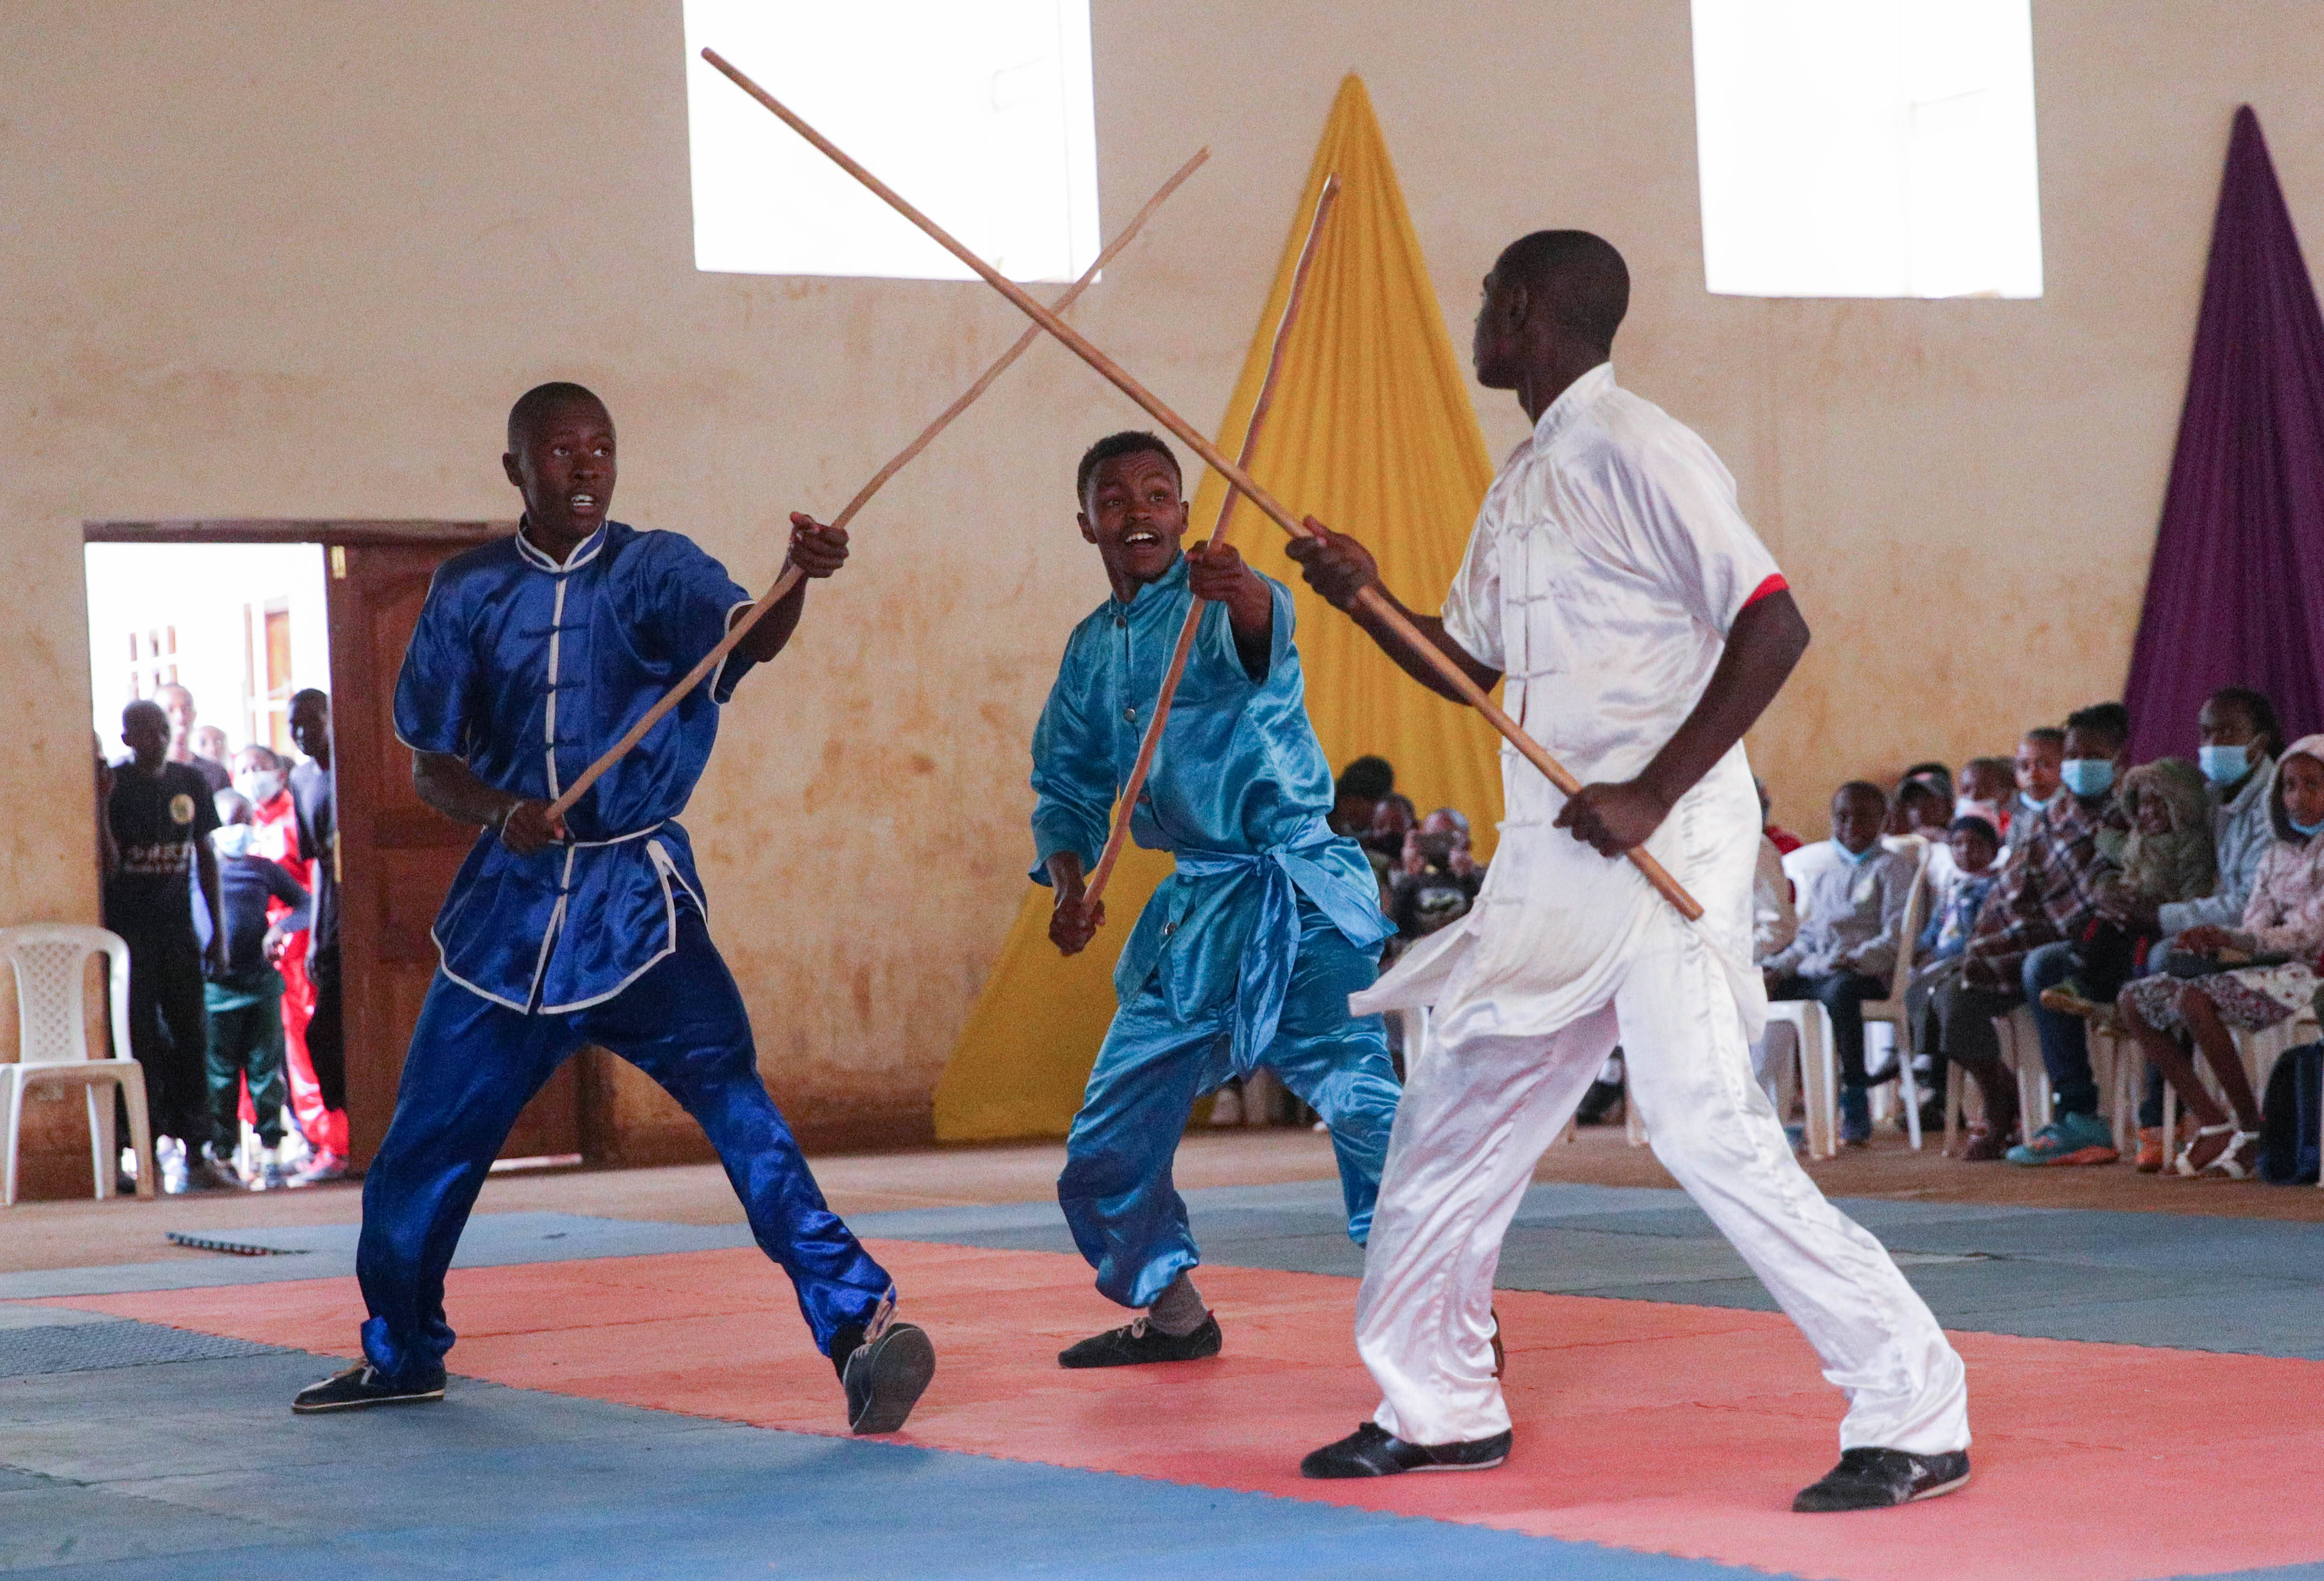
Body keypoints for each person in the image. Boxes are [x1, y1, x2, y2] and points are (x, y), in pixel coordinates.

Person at [1285, 230, 1968, 1510]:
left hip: (1668, 855)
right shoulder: (1523, 482)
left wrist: (1655, 789)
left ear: (1531, 312)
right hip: (1556, 868)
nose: (1478, 319)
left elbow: (1777, 619)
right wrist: (1364, 597)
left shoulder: (1640, 447)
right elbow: (1471, 674)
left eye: (1491, 302)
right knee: (1452, 1119)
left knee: (1706, 1125)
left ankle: (1915, 1410)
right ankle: (1436, 1406)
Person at [291, 382, 933, 1432]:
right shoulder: (466, 590)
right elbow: (431, 766)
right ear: (516, 470)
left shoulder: (660, 567)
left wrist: (793, 580)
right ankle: (402, 1351)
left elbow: (748, 640)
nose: (585, 466)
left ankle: (859, 1324)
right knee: (418, 1155)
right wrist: (503, 812)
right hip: (503, 926)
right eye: (559, 451)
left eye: (601, 448)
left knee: (742, 1116)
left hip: (644, 914)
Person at [1034, 430, 1402, 1368]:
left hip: (1299, 894)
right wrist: (1071, 885)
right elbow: (1067, 789)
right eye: (1115, 500)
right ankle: (1172, 1311)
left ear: (1187, 516)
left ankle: (1442, 1310)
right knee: (1108, 1135)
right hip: (1195, 915)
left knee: (1366, 1106)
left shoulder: (1220, 601)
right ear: (1086, 525)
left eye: (1159, 494)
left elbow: (1260, 630)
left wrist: (1239, 588)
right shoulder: (1087, 651)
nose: (1140, 513)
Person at [2118, 737, 2324, 1177]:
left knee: (2194, 999)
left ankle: (2253, 1130)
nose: (2297, 797)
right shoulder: (2274, 855)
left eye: (2312, 785)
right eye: (2288, 785)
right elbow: (2254, 924)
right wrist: (2218, 939)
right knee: (2136, 999)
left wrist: (2243, 943)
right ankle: (2212, 1120)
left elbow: (2310, 934)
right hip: (2266, 967)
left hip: (2308, 973)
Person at [2101, 687, 2282, 1169]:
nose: (2213, 742)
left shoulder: (2278, 801)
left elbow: (2249, 903)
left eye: (2227, 731)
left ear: (2258, 742)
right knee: (2119, 981)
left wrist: (2161, 917)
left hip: (2266, 944)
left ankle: (2177, 1121)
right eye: (2206, 732)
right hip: (2211, 931)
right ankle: (2207, 1121)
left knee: (2164, 962)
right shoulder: (2208, 795)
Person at [105, 699, 226, 1193]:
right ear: (128, 739)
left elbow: (206, 856)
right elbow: (107, 865)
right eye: (143, 731)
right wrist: (101, 804)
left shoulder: (191, 782)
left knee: (191, 1036)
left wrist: (216, 930)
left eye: (162, 728)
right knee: (136, 1040)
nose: (155, 738)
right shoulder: (114, 787)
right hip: (130, 936)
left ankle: (198, 1150)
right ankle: (142, 1148)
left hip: (179, 932)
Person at [1763, 783, 1918, 1144]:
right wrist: (1778, 966)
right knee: (1772, 989)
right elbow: (1807, 939)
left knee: (1840, 990)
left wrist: (1854, 958)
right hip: (1821, 969)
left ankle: (1855, 1094)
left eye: (1862, 816)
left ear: (1884, 820)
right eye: (1841, 816)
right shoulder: (1827, 876)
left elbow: (1894, 937)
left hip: (1865, 974)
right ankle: (1770, 1106)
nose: (1850, 825)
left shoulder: (1893, 869)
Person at [203, 789, 309, 1189]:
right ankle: (223, 1156)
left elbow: (305, 904)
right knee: (220, 1077)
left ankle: (271, 1157)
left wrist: (280, 928)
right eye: (231, 821)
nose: (238, 830)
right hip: (216, 988)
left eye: (245, 820)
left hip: (261, 985)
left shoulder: (264, 869)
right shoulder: (204, 868)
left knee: (267, 1074)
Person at [286, 688, 349, 1183]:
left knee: (353, 1032)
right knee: (322, 1034)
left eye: (312, 721)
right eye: (295, 725)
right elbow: (321, 866)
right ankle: (342, 1139)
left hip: (366, 917)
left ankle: (358, 1142)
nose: (304, 733)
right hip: (331, 923)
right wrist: (317, 933)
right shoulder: (301, 780)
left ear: (331, 717)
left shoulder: (356, 766)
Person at [1389, 809, 1485, 938]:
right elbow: (1398, 930)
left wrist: (1466, 878)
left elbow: (1484, 921)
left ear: (1466, 842)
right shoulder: (1411, 883)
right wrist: (1411, 875)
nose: (1440, 846)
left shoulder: (1483, 879)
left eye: (1447, 837)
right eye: (1433, 838)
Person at [154, 683, 230, 795]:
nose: (180, 717)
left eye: (185, 709)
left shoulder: (215, 773)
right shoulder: (145, 774)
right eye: (170, 710)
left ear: (194, 715)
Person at [2008, 728, 2065, 850]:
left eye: (2043, 765)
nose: (2033, 775)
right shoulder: (2013, 809)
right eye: (2024, 767)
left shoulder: (2070, 809)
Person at [1331, 755, 1395, 838]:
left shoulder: (1388, 838)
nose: (1353, 807)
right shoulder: (1318, 826)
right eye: (1347, 801)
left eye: (1360, 802)